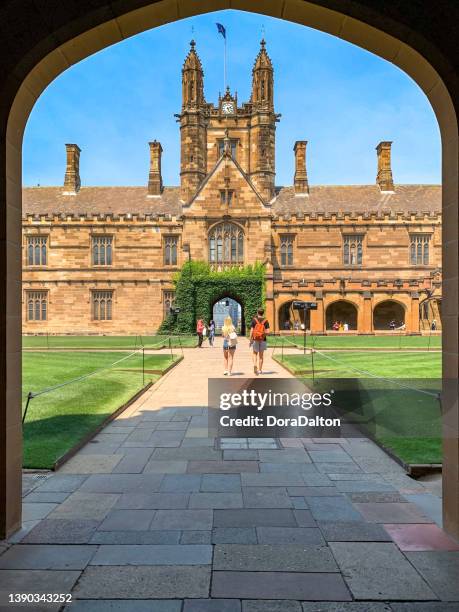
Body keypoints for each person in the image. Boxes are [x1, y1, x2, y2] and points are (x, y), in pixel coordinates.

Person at [250, 307, 270, 375]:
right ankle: (260, 370)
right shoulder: (266, 321)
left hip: (255, 339)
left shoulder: (254, 320)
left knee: (255, 353)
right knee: (261, 356)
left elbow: (252, 331)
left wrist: (251, 340)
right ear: (263, 313)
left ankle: (255, 364)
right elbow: (268, 331)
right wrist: (263, 336)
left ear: (257, 312)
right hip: (263, 339)